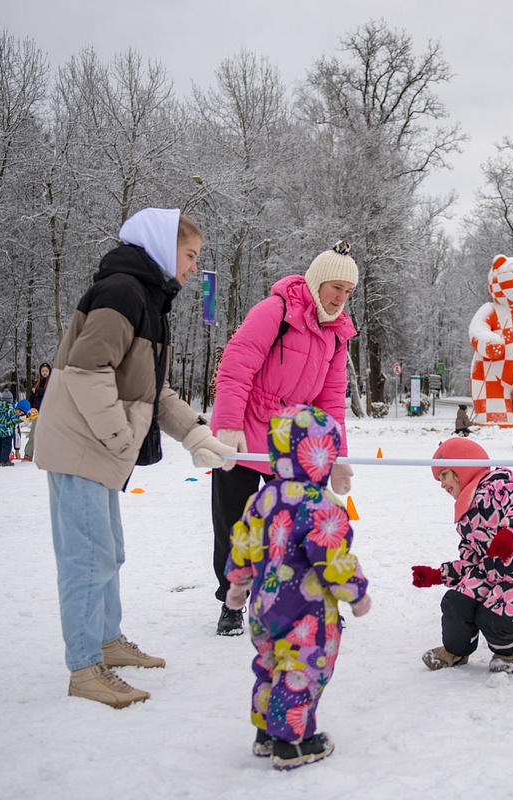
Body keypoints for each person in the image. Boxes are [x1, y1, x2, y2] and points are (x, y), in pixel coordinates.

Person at [34, 207, 235, 708]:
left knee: (109, 552)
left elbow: (154, 390)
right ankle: (85, 668)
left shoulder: (148, 298)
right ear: (163, 245)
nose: (193, 268)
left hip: (98, 449)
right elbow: (85, 370)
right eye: (189, 255)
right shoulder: (123, 291)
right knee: (87, 559)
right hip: (84, 446)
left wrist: (195, 434)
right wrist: (122, 437)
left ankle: (106, 641)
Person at [209, 241, 358, 636]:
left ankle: (302, 599)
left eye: (347, 292)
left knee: (295, 526)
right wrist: (227, 427)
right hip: (243, 433)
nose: (340, 298)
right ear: (316, 282)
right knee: (235, 525)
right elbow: (235, 367)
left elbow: (331, 400)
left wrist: (337, 454)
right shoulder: (275, 311)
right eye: (335, 288)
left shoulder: (337, 333)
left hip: (291, 441)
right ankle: (231, 601)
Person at [223, 404, 371, 771]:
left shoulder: (263, 497)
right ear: (323, 455)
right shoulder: (321, 505)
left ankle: (266, 732)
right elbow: (330, 557)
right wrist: (356, 592)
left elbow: (243, 541)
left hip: (264, 604)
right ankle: (292, 741)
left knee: (269, 664)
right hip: (306, 610)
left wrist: (237, 584)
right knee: (302, 668)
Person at [411, 436, 513, 675]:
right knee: (456, 603)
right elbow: (471, 562)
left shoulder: (498, 484)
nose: (442, 485)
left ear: (461, 468)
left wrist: (509, 532)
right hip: (489, 574)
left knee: (493, 618)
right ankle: (455, 650)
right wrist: (438, 575)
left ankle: (508, 651)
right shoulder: (465, 517)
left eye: (443, 475)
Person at [23, 362, 50, 461]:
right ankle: (28, 454)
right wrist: (29, 408)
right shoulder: (37, 382)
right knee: (33, 433)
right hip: (36, 412)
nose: (44, 372)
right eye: (43, 371)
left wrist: (37, 390)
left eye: (46, 371)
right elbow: (31, 397)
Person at [0, 390, 19, 466]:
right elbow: (13, 418)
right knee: (6, 445)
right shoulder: (10, 407)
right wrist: (19, 419)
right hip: (7, 431)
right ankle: (5, 460)